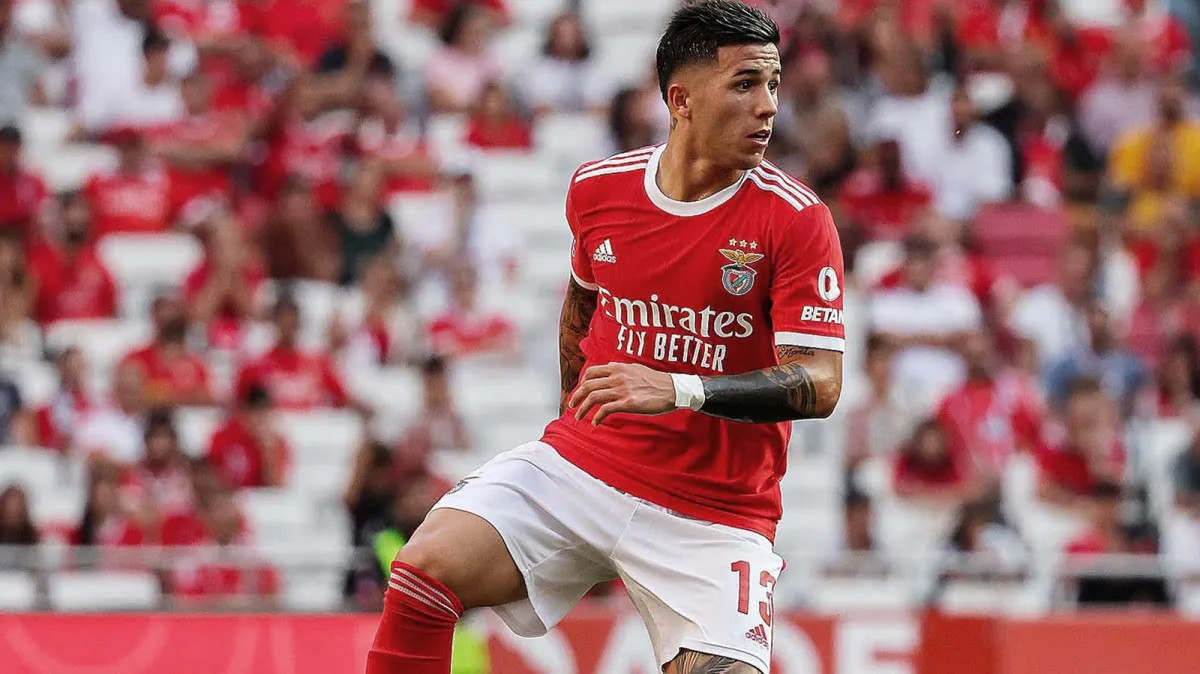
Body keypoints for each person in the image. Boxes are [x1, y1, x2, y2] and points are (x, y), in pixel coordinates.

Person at [366, 4, 845, 673]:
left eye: (772, 84)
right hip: (587, 468)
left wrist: (678, 388)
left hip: (714, 513)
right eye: (744, 84)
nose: (767, 105)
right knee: (423, 571)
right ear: (681, 99)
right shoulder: (600, 189)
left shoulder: (794, 219)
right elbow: (579, 309)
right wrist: (572, 425)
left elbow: (821, 383)